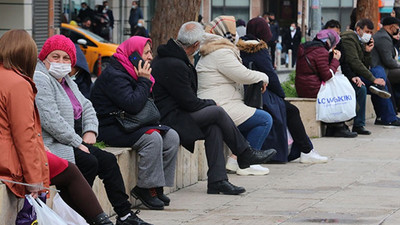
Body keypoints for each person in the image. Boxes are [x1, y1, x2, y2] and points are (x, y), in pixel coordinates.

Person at [33, 35, 150, 225]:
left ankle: (124, 215)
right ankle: (84, 217)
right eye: (55, 57)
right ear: (44, 57)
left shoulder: (66, 80)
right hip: (52, 144)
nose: (61, 62)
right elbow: (50, 119)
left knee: (108, 160)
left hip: (68, 141)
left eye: (66, 58)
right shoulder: (41, 78)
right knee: (89, 161)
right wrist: (77, 142)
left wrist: (90, 131)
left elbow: (87, 106)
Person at [0, 29, 114, 225]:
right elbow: (24, 135)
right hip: (9, 156)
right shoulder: (18, 84)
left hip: (11, 149)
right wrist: (35, 180)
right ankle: (101, 221)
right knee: (70, 172)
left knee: (78, 167)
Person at [151, 21, 277, 195]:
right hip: (169, 119)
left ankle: (218, 181)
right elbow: (189, 102)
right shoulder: (174, 64)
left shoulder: (173, 58)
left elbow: (188, 100)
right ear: (195, 45)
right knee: (217, 111)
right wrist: (211, 103)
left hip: (177, 114)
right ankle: (244, 153)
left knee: (214, 126)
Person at [90, 36, 179, 211]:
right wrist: (144, 81)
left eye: (150, 52)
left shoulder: (132, 71)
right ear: (133, 55)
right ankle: (145, 189)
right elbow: (133, 105)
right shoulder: (115, 74)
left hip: (128, 123)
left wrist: (143, 80)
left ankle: (156, 186)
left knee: (171, 137)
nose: (150, 57)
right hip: (110, 126)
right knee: (152, 138)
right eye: (145, 53)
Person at [237, 17, 328, 163]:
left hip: (245, 94)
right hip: (259, 96)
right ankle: (306, 150)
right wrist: (281, 95)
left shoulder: (240, 47)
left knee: (288, 111)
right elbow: (271, 76)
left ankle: (306, 150)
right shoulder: (258, 50)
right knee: (291, 110)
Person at [197, 16, 273, 175]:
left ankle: (234, 160)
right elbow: (241, 74)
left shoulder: (212, 50)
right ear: (226, 33)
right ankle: (247, 163)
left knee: (251, 118)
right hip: (221, 105)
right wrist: (263, 77)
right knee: (264, 119)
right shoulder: (221, 53)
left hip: (220, 102)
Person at [295, 29, 358, 138]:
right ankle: (338, 126)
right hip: (312, 88)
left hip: (303, 86)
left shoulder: (306, 48)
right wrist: (335, 60)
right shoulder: (321, 51)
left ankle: (333, 127)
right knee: (340, 91)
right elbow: (327, 75)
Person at [342, 19, 400, 126]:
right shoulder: (349, 39)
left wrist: (367, 52)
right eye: (367, 31)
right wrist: (373, 79)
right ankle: (389, 117)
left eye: (370, 32)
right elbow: (354, 62)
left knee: (379, 71)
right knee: (379, 79)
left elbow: (364, 65)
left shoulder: (361, 41)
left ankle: (385, 116)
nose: (368, 35)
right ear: (358, 29)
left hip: (358, 75)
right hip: (350, 76)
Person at [324, 20, 371, 135]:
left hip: (341, 77)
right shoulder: (321, 45)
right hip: (327, 79)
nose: (333, 36)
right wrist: (334, 59)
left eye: (336, 33)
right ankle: (338, 126)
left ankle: (359, 125)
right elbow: (324, 69)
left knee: (361, 89)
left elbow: (345, 64)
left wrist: (352, 77)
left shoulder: (340, 44)